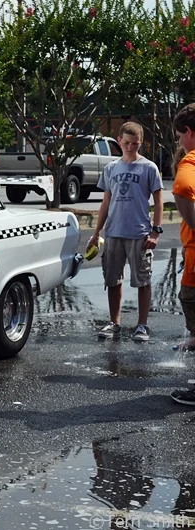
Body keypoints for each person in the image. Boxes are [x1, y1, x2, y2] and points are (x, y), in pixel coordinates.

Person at [86, 121, 164, 342]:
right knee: (112, 279)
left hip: (139, 233)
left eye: (135, 144)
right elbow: (106, 202)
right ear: (119, 141)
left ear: (141, 144)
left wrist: (155, 232)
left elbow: (159, 202)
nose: (130, 147)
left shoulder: (149, 168)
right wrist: (96, 232)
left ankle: (142, 325)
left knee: (142, 280)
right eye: (127, 143)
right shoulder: (111, 168)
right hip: (113, 233)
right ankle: (115, 322)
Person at [169, 104, 195, 405]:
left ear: (189, 132)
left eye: (179, 135)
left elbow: (182, 188)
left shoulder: (191, 159)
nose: (179, 142)